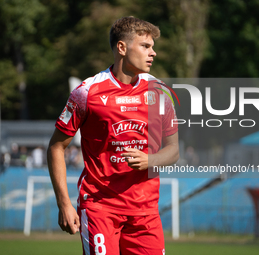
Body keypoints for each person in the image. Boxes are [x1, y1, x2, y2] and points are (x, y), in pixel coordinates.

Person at [47, 16, 179, 255]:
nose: (153, 53)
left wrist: (150, 160)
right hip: (100, 208)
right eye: (145, 46)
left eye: (153, 47)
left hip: (146, 213)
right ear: (121, 47)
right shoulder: (86, 93)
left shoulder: (159, 92)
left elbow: (173, 150)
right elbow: (56, 146)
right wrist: (64, 203)